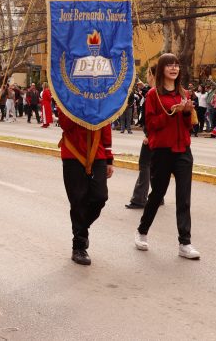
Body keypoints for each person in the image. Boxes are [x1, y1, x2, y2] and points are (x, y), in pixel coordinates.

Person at [134, 53, 200, 260]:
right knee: (157, 194)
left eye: (176, 65)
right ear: (162, 69)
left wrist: (186, 112)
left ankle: (185, 243)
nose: (174, 68)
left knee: (184, 198)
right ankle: (142, 231)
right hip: (162, 151)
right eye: (169, 65)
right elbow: (150, 124)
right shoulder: (153, 95)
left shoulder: (184, 93)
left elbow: (189, 125)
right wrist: (171, 111)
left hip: (183, 151)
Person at [59, 101, 114, 266]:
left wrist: (109, 158)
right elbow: (65, 124)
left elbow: (105, 125)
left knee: (100, 197)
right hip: (72, 154)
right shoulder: (66, 97)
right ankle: (79, 246)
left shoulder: (100, 97)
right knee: (78, 201)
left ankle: (81, 229)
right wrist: (81, 105)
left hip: (97, 153)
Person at [126, 65, 157, 210]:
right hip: (157, 136)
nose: (147, 77)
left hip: (152, 136)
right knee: (154, 166)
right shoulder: (162, 91)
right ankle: (157, 196)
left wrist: (150, 135)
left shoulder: (153, 93)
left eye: (148, 73)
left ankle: (139, 199)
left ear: (153, 75)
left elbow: (152, 117)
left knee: (145, 165)